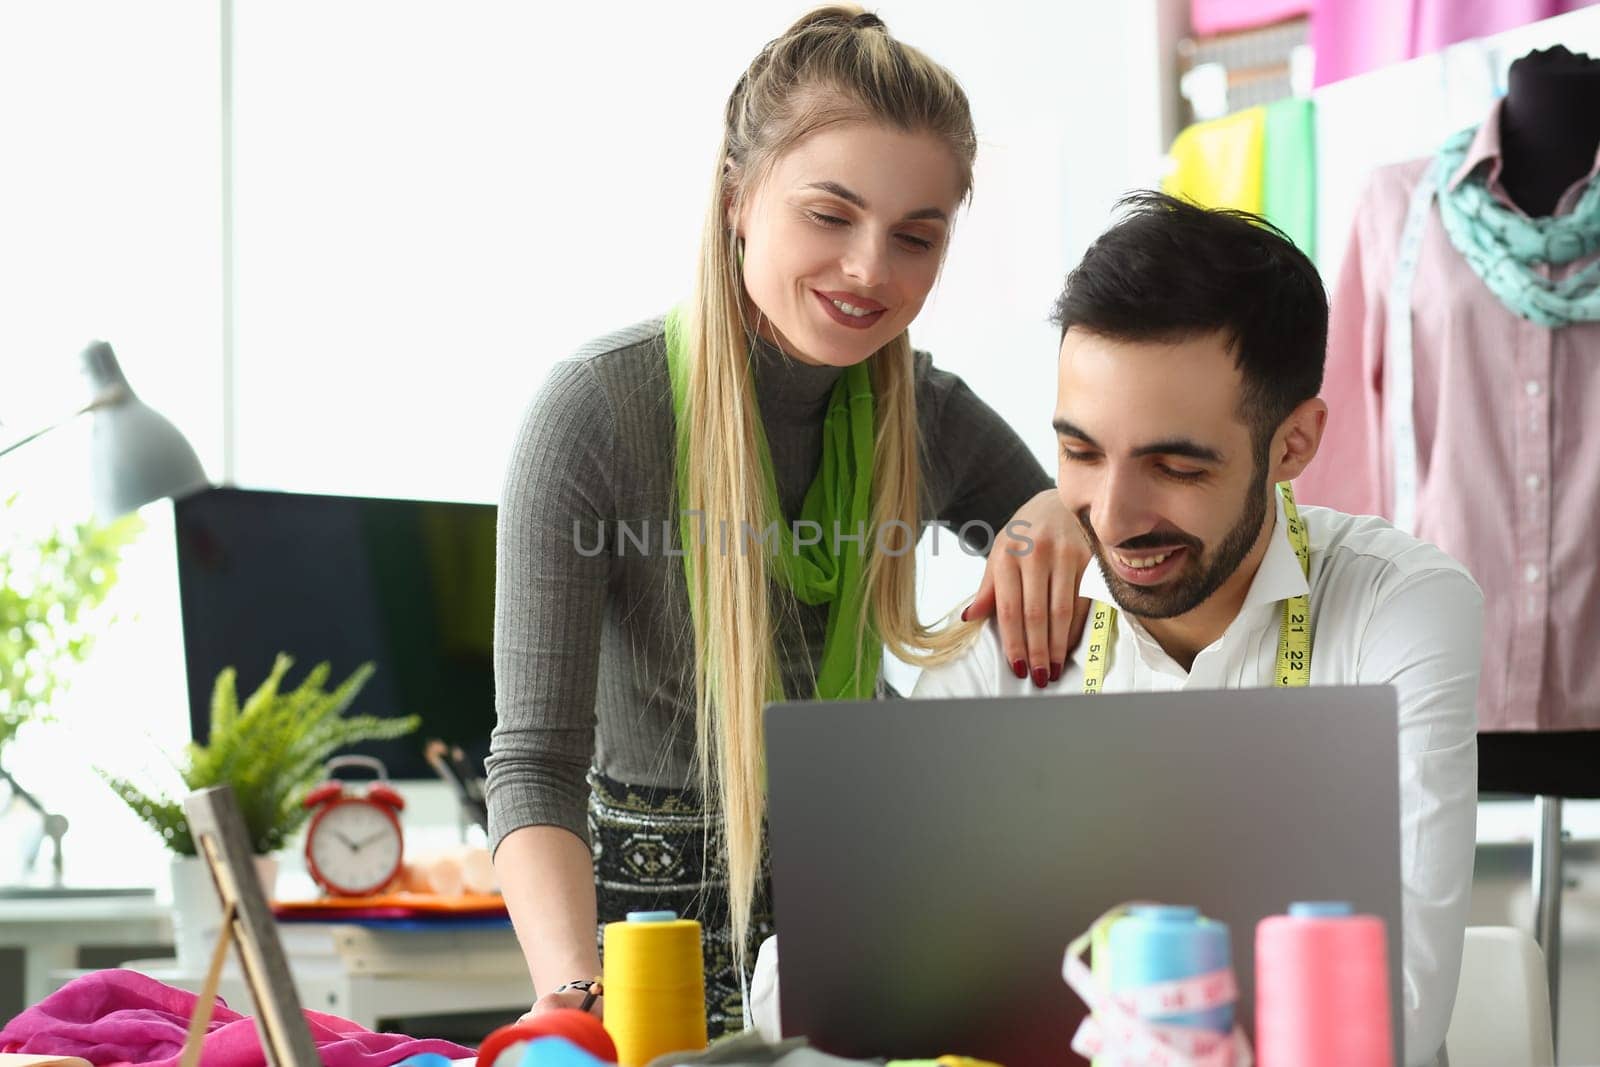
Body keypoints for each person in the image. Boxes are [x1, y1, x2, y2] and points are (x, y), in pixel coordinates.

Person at [487, 5, 1092, 1036]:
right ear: (736, 197)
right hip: (647, 960)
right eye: (830, 214)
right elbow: (533, 761)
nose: (871, 269)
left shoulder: (927, 412)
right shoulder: (594, 412)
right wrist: (574, 994)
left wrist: (1058, 510)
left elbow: (1088, 549)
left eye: (916, 236)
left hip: (873, 919)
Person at [914, 192, 1481, 1067]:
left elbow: (1394, 1012)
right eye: (1081, 452)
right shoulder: (1010, 625)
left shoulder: (1398, 608)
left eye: (1174, 466)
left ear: (1293, 445)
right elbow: (857, 979)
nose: (1113, 516)